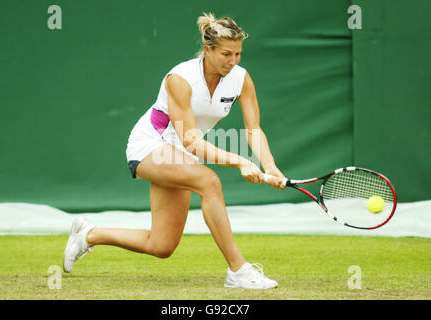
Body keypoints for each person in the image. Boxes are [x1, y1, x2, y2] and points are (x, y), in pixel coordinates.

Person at [63, 12, 286, 289]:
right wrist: (240, 161)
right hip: (151, 145)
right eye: (226, 54)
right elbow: (191, 140)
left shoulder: (241, 78)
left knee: (161, 245)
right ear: (208, 50)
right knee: (209, 182)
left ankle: (88, 234)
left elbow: (254, 130)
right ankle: (238, 270)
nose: (233, 61)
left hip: (182, 155)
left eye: (238, 54)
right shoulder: (180, 78)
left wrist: (270, 166)